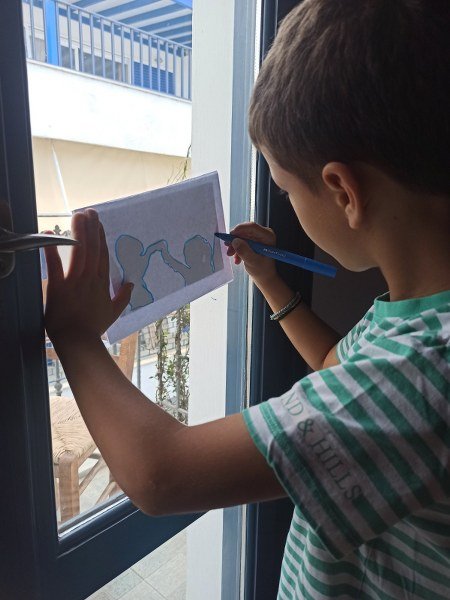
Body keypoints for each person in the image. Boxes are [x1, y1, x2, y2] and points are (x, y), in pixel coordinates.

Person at [44, 0, 450, 597]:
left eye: (285, 189)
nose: (286, 204)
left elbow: (162, 474)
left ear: (343, 190)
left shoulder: (421, 372)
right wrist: (269, 278)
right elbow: (337, 367)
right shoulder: (419, 315)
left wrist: (76, 338)